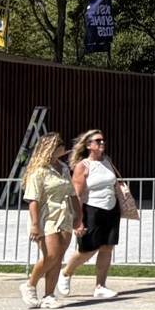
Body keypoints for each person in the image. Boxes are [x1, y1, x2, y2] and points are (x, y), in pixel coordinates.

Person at [60, 128, 122, 300]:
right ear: (88, 145)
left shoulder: (107, 161)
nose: (102, 143)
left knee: (107, 247)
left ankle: (100, 286)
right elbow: (77, 195)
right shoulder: (82, 166)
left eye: (103, 140)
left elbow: (113, 183)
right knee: (88, 248)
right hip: (91, 209)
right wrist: (78, 220)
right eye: (97, 141)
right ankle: (66, 272)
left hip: (111, 209)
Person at [19, 133, 74, 309]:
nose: (63, 147)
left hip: (64, 216)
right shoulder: (39, 171)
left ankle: (49, 294)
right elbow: (33, 200)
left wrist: (79, 217)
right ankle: (30, 284)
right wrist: (35, 225)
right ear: (50, 148)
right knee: (51, 255)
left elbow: (71, 193)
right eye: (59, 144)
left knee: (58, 257)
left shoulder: (64, 169)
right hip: (45, 218)